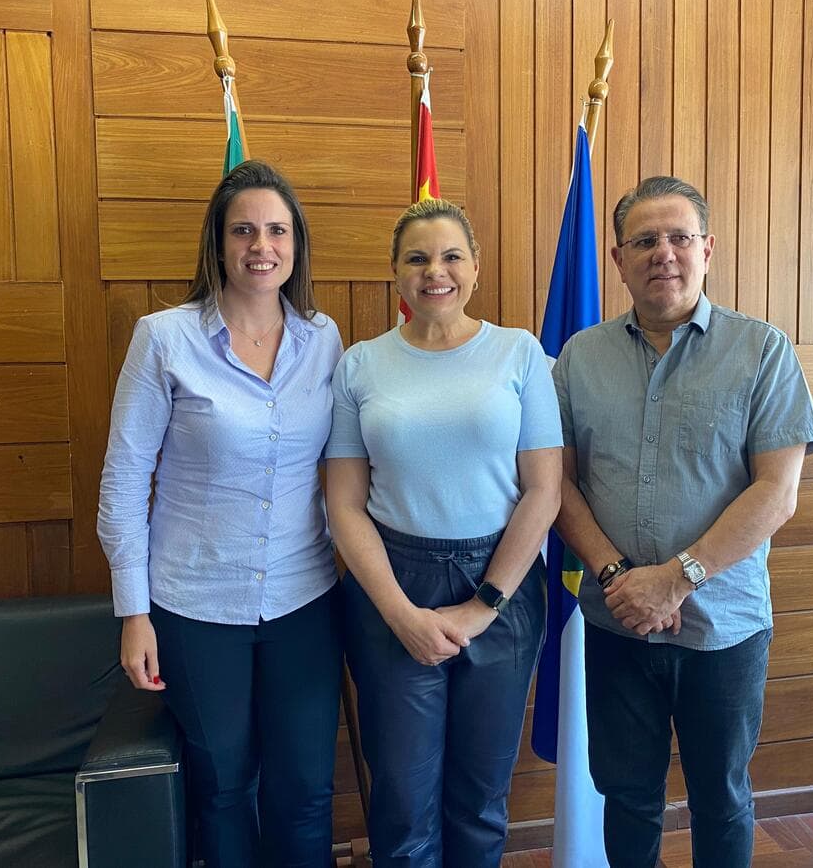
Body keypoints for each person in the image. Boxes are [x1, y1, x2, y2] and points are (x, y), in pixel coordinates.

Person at [552, 176, 813, 868]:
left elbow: (777, 492)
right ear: (617, 259)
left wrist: (677, 580)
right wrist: (620, 578)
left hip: (725, 627)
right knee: (627, 794)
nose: (663, 253)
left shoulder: (762, 351)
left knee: (722, 796)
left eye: (679, 237)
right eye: (644, 240)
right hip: (617, 623)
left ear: (708, 250)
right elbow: (553, 482)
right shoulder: (579, 358)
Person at [97, 160, 344, 867]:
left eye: (275, 230)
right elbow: (122, 481)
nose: (260, 246)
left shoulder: (322, 339)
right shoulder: (164, 338)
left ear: (295, 245)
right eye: (243, 230)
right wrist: (134, 613)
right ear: (218, 243)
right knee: (224, 789)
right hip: (194, 607)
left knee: (306, 790)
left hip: (305, 599)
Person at [325, 198, 562, 867]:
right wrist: (399, 613)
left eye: (452, 255)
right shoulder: (360, 364)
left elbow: (543, 491)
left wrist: (483, 605)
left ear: (476, 268)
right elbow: (344, 505)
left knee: (480, 798)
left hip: (504, 585)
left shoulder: (520, 354)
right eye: (418, 258)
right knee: (401, 800)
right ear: (395, 275)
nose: (437, 271)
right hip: (391, 582)